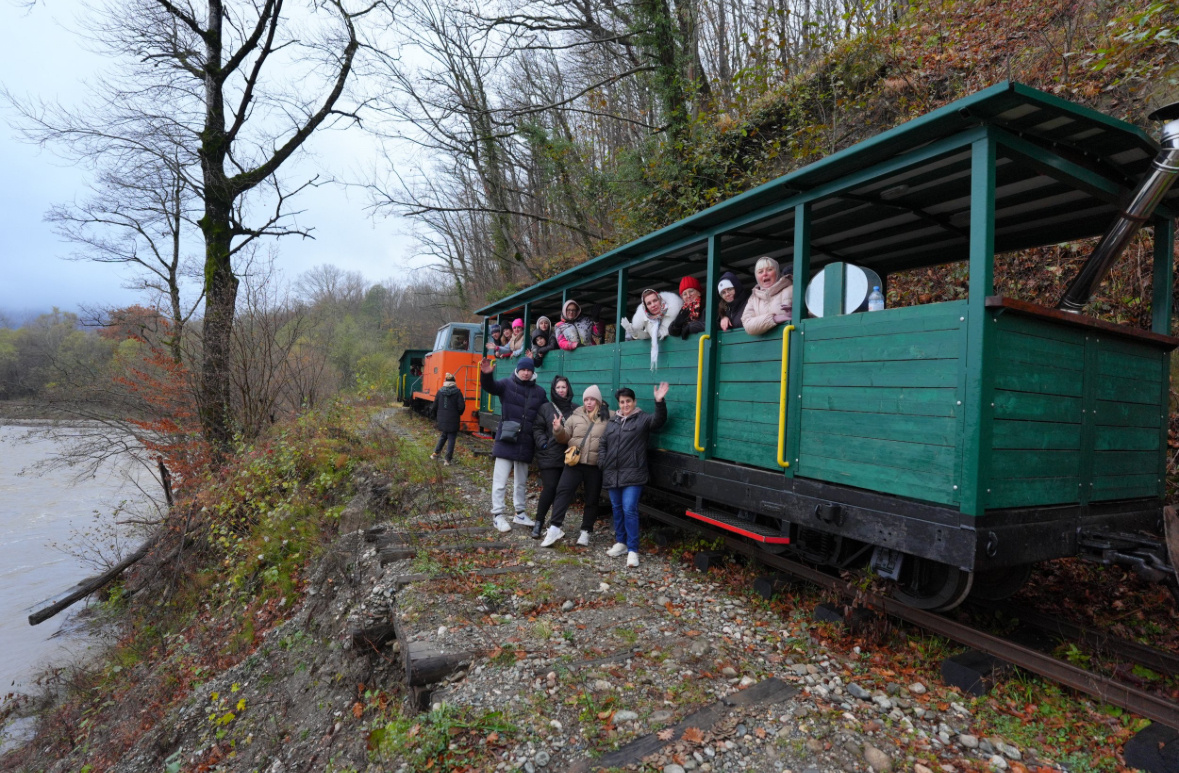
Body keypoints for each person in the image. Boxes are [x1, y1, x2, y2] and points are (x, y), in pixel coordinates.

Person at [599, 383, 669, 567]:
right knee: (616, 508)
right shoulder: (613, 421)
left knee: (629, 508)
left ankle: (633, 549)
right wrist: (602, 461)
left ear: (634, 401)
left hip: (634, 473)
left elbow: (658, 421)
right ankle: (621, 542)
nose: (625, 405)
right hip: (612, 473)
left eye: (628, 401)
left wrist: (659, 401)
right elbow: (603, 443)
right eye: (622, 402)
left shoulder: (642, 419)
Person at [479, 356, 548, 532]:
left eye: (529, 370)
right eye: (523, 369)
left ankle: (520, 513)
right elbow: (490, 387)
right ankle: (498, 515)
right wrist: (485, 375)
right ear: (518, 369)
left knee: (521, 482)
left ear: (533, 372)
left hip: (526, 441)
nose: (526, 373)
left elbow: (546, 412)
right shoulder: (506, 384)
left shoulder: (539, 392)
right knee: (500, 481)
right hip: (507, 439)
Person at [540, 385, 612, 548]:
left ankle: (586, 532)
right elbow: (564, 437)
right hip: (574, 463)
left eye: (592, 399)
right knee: (562, 493)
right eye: (586, 399)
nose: (589, 402)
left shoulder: (609, 417)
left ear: (599, 401)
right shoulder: (576, 415)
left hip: (594, 466)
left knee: (592, 499)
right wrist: (558, 430)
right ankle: (554, 528)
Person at [530, 375, 576, 539]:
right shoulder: (546, 408)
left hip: (568, 456)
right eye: (558, 387)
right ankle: (538, 522)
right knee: (550, 488)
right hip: (549, 455)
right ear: (553, 389)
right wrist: (543, 443)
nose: (561, 390)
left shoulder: (575, 409)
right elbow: (537, 428)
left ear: (568, 389)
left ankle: (555, 526)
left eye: (564, 387)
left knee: (563, 491)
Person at [620, 289, 681, 369]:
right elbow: (648, 335)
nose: (653, 305)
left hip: (677, 354)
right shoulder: (648, 319)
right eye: (649, 303)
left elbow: (664, 331)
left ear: (660, 299)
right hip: (663, 362)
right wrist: (634, 332)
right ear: (646, 307)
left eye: (655, 300)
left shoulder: (673, 311)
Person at [741, 256, 794, 335]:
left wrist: (797, 312)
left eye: (769, 270)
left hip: (789, 343)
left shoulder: (791, 289)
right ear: (756, 276)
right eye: (760, 272)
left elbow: (811, 315)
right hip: (763, 346)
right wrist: (773, 319)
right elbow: (747, 324)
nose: (765, 274)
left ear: (777, 272)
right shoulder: (753, 298)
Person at [428, 373, 466, 465]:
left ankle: (435, 453)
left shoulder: (440, 391)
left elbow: (434, 406)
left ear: (445, 381)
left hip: (442, 419)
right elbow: (461, 406)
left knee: (444, 435)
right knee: (451, 438)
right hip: (453, 418)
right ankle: (447, 459)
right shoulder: (457, 392)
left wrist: (436, 416)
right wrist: (458, 413)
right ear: (454, 381)